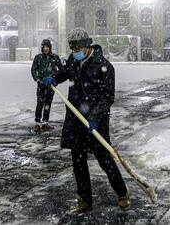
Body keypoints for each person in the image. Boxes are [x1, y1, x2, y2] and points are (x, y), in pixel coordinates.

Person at [41, 28, 130, 213]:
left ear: (87, 46)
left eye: (78, 49)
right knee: (78, 162)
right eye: (73, 50)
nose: (75, 53)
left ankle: (122, 193)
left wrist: (95, 117)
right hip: (76, 120)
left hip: (95, 122)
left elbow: (107, 97)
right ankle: (84, 200)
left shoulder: (103, 66)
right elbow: (64, 72)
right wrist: (54, 79)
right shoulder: (74, 60)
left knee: (105, 160)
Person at [30, 39, 63, 133]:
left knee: (48, 104)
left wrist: (54, 79)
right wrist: (37, 80)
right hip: (41, 84)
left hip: (51, 85)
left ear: (50, 48)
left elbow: (61, 70)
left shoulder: (55, 57)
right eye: (44, 47)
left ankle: (45, 122)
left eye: (47, 47)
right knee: (40, 103)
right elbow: (33, 70)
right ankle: (37, 122)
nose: (45, 49)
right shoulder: (38, 58)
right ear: (42, 48)